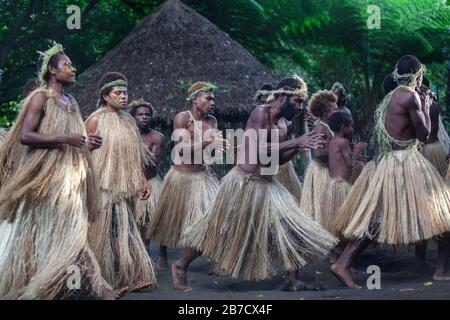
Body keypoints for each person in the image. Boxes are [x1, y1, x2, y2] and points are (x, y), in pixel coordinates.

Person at [186, 76, 338, 292]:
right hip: (243, 183)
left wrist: (298, 146)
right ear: (283, 97)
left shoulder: (284, 124)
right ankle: (180, 266)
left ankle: (292, 279)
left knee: (292, 228)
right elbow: (258, 151)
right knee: (218, 230)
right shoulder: (260, 113)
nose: (300, 107)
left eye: (302, 103)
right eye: (297, 101)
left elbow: (276, 160)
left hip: (268, 185)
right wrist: (296, 141)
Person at [0, 42, 127, 299]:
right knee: (61, 233)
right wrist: (66, 138)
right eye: (66, 64)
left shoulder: (72, 102)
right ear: (52, 70)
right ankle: (94, 289)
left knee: (73, 231)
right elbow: (26, 135)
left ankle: (97, 288)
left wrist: (86, 143)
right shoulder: (40, 98)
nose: (73, 68)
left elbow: (75, 138)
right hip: (45, 180)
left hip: (69, 178)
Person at [332, 55, 450, 288]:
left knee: (378, 219)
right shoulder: (411, 96)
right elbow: (424, 135)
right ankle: (441, 271)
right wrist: (426, 106)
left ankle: (343, 262)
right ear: (418, 75)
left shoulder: (391, 97)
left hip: (391, 163)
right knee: (443, 214)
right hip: (405, 163)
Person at [148, 81, 229, 291]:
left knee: (212, 225)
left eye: (214, 99)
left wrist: (223, 149)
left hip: (203, 178)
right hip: (181, 179)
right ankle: (176, 265)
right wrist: (207, 143)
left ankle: (189, 263)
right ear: (195, 99)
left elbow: (213, 151)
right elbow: (181, 149)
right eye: (208, 98)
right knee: (185, 227)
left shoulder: (212, 120)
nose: (212, 102)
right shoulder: (183, 118)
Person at [85, 72, 155, 291]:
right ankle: (129, 277)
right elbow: (81, 151)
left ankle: (114, 277)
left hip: (124, 188)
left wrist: (143, 181)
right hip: (102, 187)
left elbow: (135, 155)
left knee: (121, 231)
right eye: (118, 93)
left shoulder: (128, 120)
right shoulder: (95, 119)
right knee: (115, 231)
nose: (123, 96)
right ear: (106, 96)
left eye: (125, 92)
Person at [129, 99, 168, 270]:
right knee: (137, 223)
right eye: (140, 114)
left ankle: (162, 253)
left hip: (151, 182)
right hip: (131, 183)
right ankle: (142, 256)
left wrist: (134, 151)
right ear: (133, 117)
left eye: (147, 114)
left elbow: (152, 162)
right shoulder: (126, 135)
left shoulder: (158, 137)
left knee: (158, 220)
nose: (144, 117)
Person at [323, 111, 366, 263]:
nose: (352, 129)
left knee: (337, 225)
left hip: (332, 185)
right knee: (348, 224)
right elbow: (349, 163)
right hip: (341, 186)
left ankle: (335, 257)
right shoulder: (343, 142)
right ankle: (342, 260)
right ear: (343, 126)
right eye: (350, 126)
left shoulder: (333, 141)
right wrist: (357, 150)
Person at [300, 90, 338, 224]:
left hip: (328, 171)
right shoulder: (321, 128)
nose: (337, 112)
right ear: (326, 112)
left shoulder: (328, 127)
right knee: (321, 209)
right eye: (334, 109)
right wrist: (336, 147)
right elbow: (318, 153)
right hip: (321, 172)